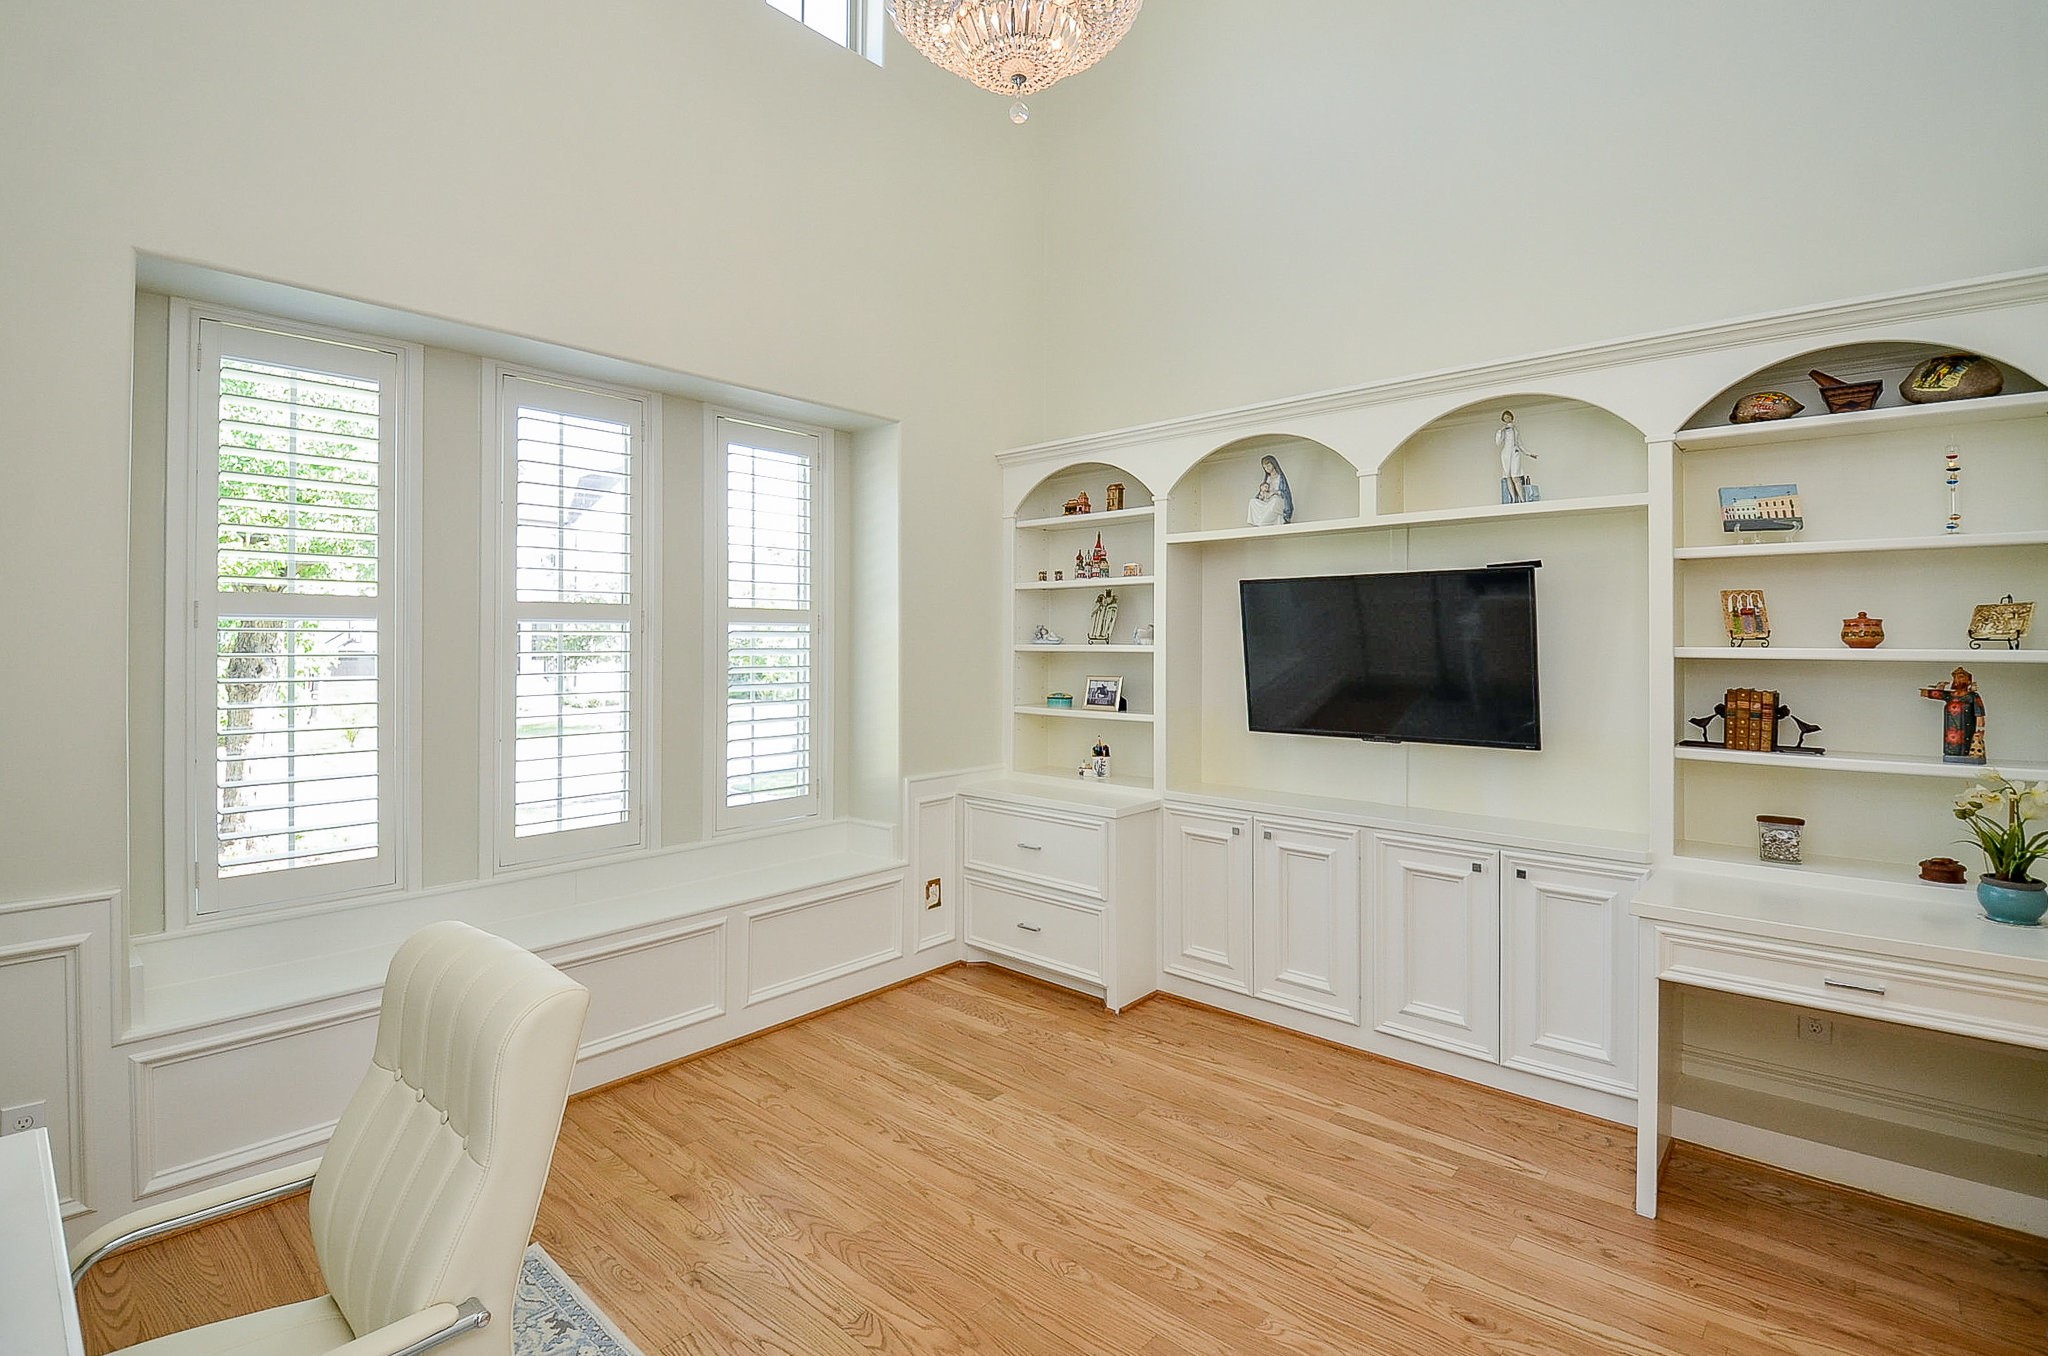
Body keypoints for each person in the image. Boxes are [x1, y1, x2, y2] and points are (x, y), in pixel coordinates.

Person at [1498, 411, 1538, 503]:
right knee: (1508, 476)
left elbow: (1520, 444)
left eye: (1508, 417)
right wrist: (1501, 430)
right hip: (1506, 454)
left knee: (1515, 476)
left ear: (1511, 418)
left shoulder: (1515, 430)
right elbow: (1498, 442)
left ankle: (1522, 499)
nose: (1507, 419)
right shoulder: (1503, 431)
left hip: (1515, 453)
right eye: (1505, 418)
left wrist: (1529, 454)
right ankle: (1513, 499)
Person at [1247, 454, 1292, 526]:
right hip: (1267, 501)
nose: (1266, 468)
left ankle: (1263, 522)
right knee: (1253, 502)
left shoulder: (1280, 478)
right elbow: (1262, 492)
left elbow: (1285, 494)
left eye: (1268, 466)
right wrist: (1261, 495)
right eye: (1264, 467)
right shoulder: (1267, 478)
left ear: (1273, 464)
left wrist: (1274, 492)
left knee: (1275, 500)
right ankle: (1259, 522)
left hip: (1277, 501)